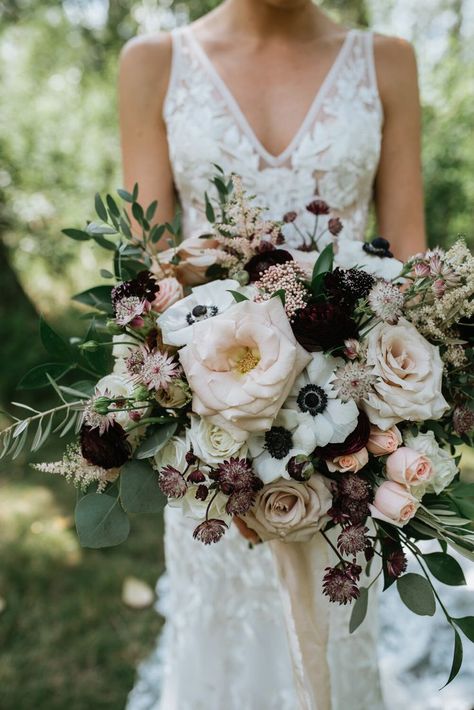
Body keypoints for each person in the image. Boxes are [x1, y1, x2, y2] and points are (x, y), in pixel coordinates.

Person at [119, 1, 427, 708]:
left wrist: (398, 409)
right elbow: (149, 279)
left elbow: (410, 260)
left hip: (349, 432)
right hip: (211, 444)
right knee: (219, 657)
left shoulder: (387, 61)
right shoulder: (153, 62)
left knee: (335, 638)